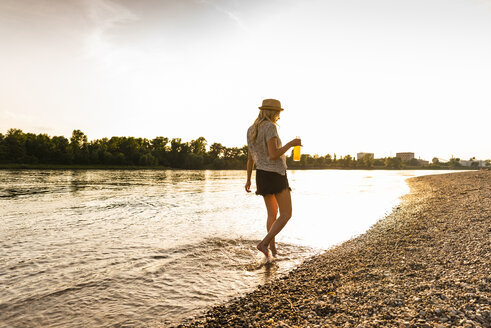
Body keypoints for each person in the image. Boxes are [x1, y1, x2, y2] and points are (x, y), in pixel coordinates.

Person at [245, 99, 301, 258]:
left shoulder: (251, 130)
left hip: (261, 175)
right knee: (286, 214)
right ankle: (264, 244)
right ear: (272, 112)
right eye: (278, 113)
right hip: (275, 174)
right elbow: (273, 154)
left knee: (272, 214)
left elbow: (250, 158)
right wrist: (291, 143)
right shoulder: (270, 127)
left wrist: (248, 179)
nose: (279, 117)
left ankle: (272, 251)